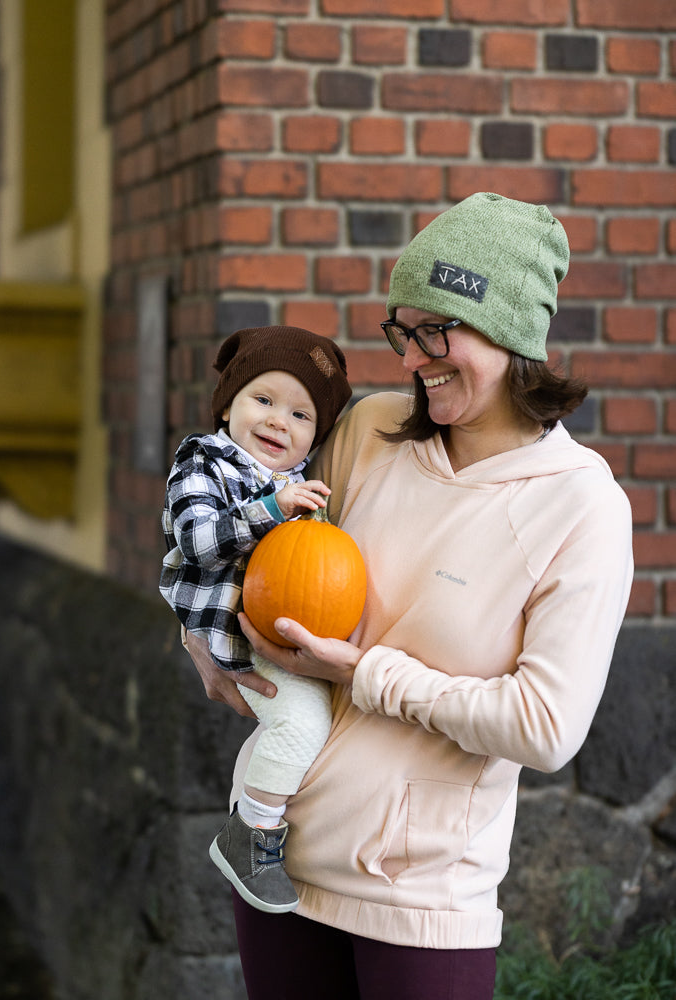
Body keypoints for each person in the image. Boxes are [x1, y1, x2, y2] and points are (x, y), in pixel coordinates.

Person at [183, 193, 634, 1000]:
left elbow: (546, 726)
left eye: (437, 331)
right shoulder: (369, 431)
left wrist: (365, 672)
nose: (413, 357)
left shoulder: (581, 505)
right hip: (276, 862)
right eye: (403, 331)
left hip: (421, 897)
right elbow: (263, 552)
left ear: (513, 333)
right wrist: (195, 632)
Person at [160, 325, 352, 914]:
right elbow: (195, 540)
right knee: (300, 723)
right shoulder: (204, 461)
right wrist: (269, 510)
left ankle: (263, 814)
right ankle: (252, 833)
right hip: (229, 630)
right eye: (262, 400)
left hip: (278, 635)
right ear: (229, 404)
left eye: (300, 416)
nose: (278, 422)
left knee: (307, 723)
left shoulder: (298, 484)